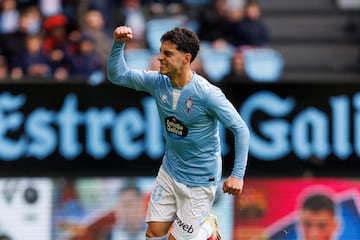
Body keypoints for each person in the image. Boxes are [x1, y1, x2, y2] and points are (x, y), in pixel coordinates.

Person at [107, 25, 250, 240]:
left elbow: (240, 129)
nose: (159, 58)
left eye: (167, 53)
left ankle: (208, 227)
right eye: (160, 52)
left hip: (200, 180)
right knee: (154, 233)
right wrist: (118, 44)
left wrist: (237, 175)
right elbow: (117, 75)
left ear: (186, 58)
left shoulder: (207, 94)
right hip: (170, 170)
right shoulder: (157, 82)